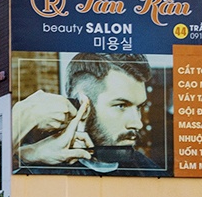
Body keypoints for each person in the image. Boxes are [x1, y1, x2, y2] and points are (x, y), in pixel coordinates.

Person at [11, 51, 161, 174]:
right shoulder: (35, 176)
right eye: (121, 105)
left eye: (139, 107)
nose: (137, 123)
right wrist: (22, 118)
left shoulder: (152, 174)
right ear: (82, 104)